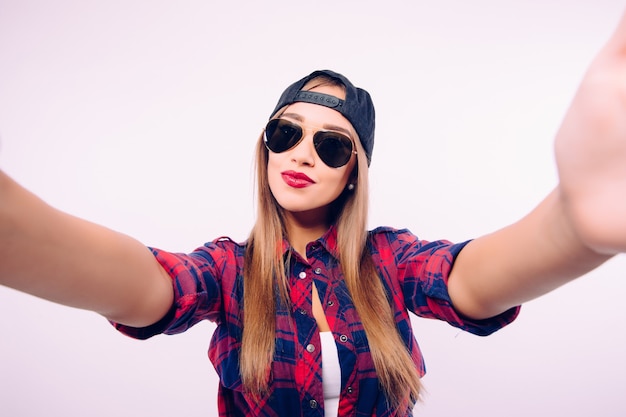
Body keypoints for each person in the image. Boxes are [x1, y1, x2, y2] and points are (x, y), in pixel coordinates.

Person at [2, 10, 626, 417]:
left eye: (331, 145)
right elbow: (146, 285)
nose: (302, 154)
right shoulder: (228, 271)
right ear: (265, 147)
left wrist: (573, 225)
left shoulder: (389, 260)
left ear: (354, 172)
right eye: (286, 133)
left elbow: (472, 278)